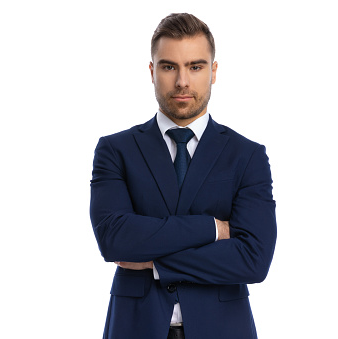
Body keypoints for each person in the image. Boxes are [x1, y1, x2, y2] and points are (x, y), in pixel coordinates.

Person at [90, 13, 277, 339]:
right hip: (135, 327)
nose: (182, 82)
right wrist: (212, 228)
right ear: (152, 71)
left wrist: (155, 263)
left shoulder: (247, 156)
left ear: (213, 71)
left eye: (195, 66)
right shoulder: (115, 150)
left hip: (222, 328)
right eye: (168, 66)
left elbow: (253, 260)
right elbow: (114, 240)